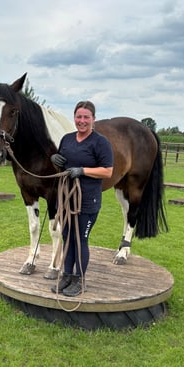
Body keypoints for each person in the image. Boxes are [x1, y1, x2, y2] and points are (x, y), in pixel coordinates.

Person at [51, 101, 113, 297]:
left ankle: (80, 280)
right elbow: (62, 164)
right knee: (67, 238)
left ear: (93, 119)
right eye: (79, 116)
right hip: (66, 199)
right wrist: (55, 160)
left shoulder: (100, 142)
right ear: (74, 118)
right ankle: (67, 276)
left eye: (86, 117)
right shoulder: (67, 139)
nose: (82, 121)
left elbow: (108, 171)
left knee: (80, 240)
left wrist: (83, 171)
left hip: (86, 201)